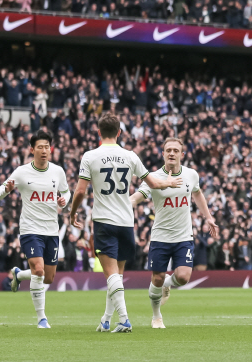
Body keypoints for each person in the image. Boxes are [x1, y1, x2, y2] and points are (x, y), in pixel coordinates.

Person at [70, 113, 181, 333]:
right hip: (126, 222)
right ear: (119, 132)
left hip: (104, 221)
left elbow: (81, 191)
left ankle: (124, 319)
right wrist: (168, 181)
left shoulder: (90, 156)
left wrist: (72, 212)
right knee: (117, 277)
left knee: (111, 275)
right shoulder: (130, 156)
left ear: (99, 132)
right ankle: (106, 319)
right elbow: (153, 183)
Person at [130, 137, 218, 329]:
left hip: (183, 236)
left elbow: (197, 193)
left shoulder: (191, 175)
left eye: (175, 151)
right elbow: (136, 198)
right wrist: (120, 205)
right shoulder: (153, 177)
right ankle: (156, 316)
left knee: (184, 277)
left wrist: (208, 217)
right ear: (163, 154)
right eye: (168, 150)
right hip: (160, 237)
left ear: (182, 155)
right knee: (157, 278)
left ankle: (167, 285)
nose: (171, 153)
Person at [0, 130, 71, 329]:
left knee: (49, 277)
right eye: (40, 147)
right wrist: (6, 190)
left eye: (47, 146)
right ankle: (41, 319)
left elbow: (66, 192)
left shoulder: (58, 171)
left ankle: (19, 275)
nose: (44, 150)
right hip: (30, 229)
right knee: (38, 269)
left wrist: (64, 200)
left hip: (51, 230)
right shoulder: (21, 172)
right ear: (32, 149)